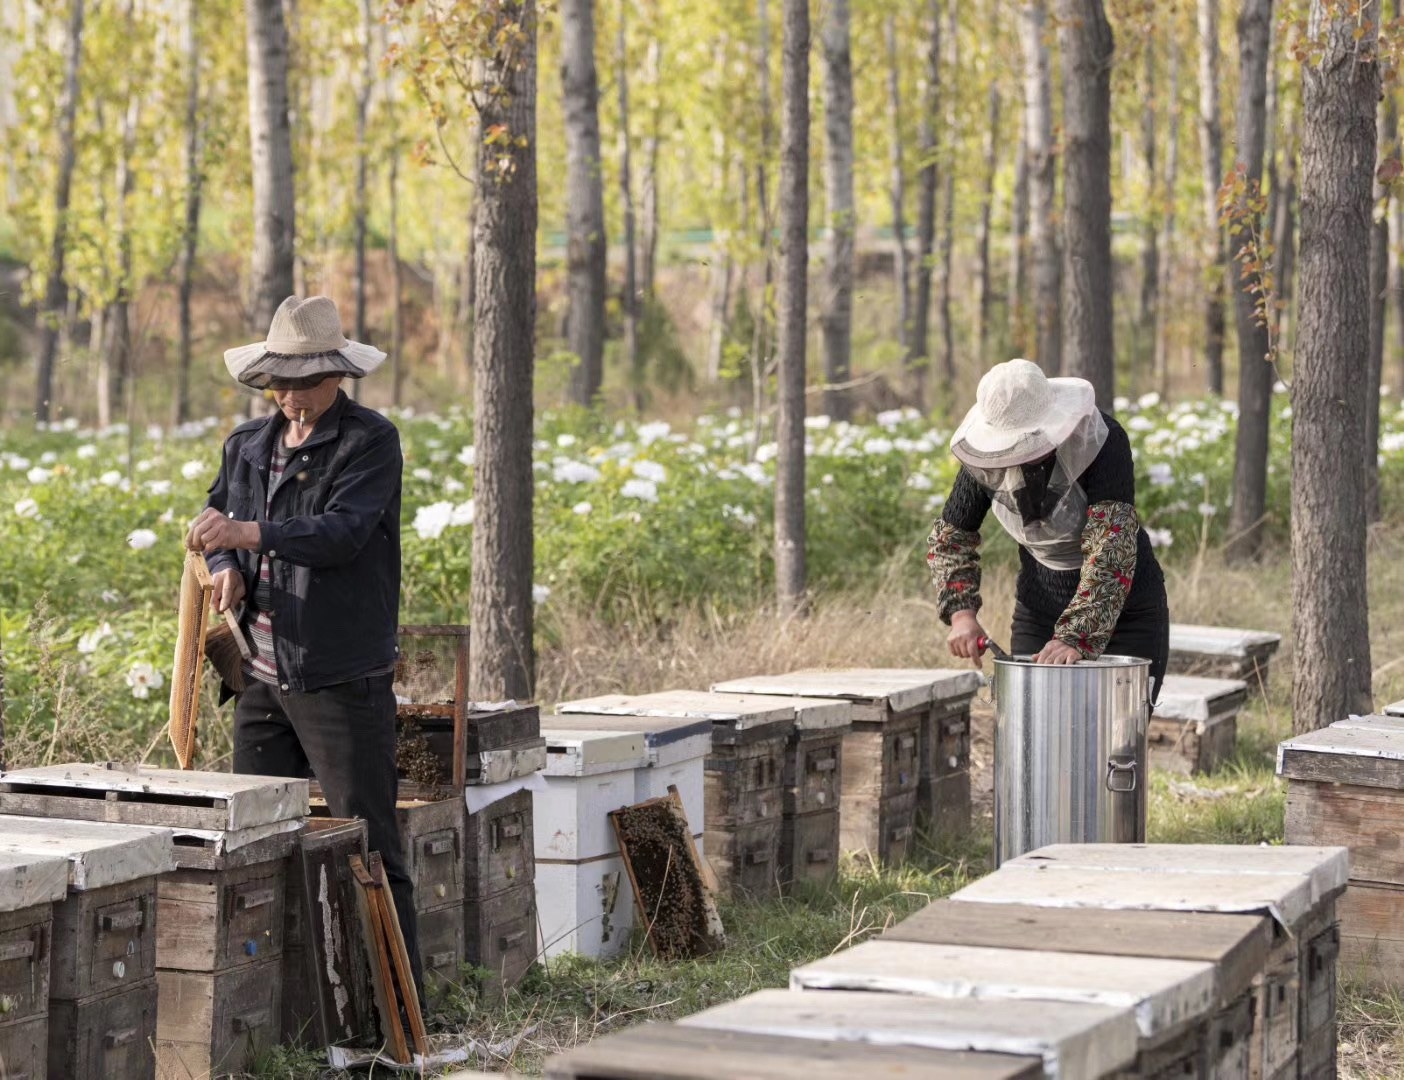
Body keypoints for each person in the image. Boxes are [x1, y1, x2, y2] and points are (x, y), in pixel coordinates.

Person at [185, 295, 421, 995]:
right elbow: (218, 517)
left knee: (367, 844)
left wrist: (248, 536)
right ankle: (291, 1010)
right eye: (279, 383)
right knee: (259, 842)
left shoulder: (369, 442)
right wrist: (225, 565)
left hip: (338, 674)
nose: (291, 396)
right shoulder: (246, 445)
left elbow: (341, 534)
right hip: (259, 673)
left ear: (338, 375)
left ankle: (400, 1011)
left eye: (306, 382)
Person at [927, 358, 1170, 698]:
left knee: (1114, 730)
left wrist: (1077, 635)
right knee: (1031, 723)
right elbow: (952, 539)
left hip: (1126, 614)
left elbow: (1110, 544)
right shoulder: (984, 460)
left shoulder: (1101, 439)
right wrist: (961, 614)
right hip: (1039, 610)